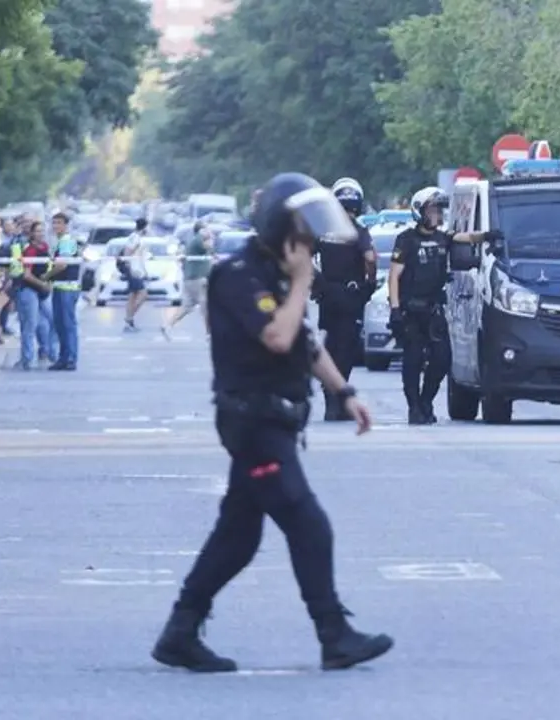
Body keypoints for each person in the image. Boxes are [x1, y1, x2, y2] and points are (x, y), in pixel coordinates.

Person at [151, 172, 393, 673]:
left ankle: (180, 629)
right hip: (253, 422)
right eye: (303, 232)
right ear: (283, 229)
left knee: (237, 537)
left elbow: (304, 341)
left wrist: (344, 392)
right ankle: (333, 633)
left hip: (272, 421)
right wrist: (304, 281)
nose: (308, 243)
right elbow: (278, 338)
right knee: (309, 524)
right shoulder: (239, 275)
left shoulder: (275, 274)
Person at [387, 186, 500, 424]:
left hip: (433, 310)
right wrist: (395, 310)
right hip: (411, 312)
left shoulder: (443, 238)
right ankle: (414, 407)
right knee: (413, 360)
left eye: (439, 210)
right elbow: (394, 276)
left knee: (442, 358)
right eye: (433, 209)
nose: (438, 214)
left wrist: (488, 236)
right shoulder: (406, 240)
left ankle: (427, 400)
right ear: (420, 211)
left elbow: (465, 237)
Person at [314, 177, 376, 421]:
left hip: (328, 294)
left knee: (331, 347)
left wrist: (317, 283)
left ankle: (331, 399)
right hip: (351, 295)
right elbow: (370, 258)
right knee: (347, 349)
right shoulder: (358, 231)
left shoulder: (323, 230)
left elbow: (304, 257)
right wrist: (369, 283)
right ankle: (339, 397)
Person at [11, 220, 58, 370]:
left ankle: (51, 353)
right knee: (30, 325)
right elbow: (26, 275)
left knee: (54, 321)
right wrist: (42, 284)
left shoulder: (45, 247)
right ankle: (27, 360)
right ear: (31, 234)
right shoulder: (29, 250)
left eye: (42, 231)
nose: (41, 234)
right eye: (37, 231)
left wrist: (49, 282)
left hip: (42, 290)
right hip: (28, 290)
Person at [163, 222, 214, 338]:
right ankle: (209, 333)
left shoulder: (194, 240)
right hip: (197, 278)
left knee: (187, 306)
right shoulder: (198, 240)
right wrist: (210, 236)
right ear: (201, 230)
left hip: (190, 278)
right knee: (206, 305)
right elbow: (208, 246)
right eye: (206, 228)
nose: (208, 230)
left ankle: (167, 326)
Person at [47, 212, 81, 371]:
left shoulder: (66, 241)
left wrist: (45, 276)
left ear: (66, 225)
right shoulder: (60, 241)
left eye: (59, 223)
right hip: (60, 287)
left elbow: (62, 265)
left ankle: (70, 359)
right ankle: (63, 357)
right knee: (60, 325)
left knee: (68, 325)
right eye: (54, 223)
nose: (56, 226)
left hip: (68, 288)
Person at [121, 219, 150, 332]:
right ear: (144, 227)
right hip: (134, 270)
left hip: (138, 270)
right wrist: (130, 267)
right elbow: (127, 253)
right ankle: (129, 317)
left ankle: (130, 321)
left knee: (133, 295)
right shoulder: (135, 238)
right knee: (143, 294)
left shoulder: (137, 238)